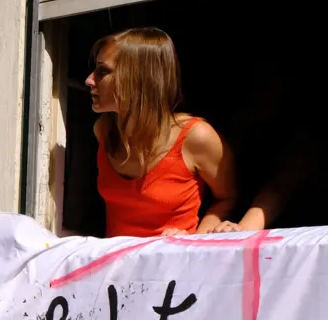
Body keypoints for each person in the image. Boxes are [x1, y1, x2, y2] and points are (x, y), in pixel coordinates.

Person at [86, 28, 237, 237]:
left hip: (173, 265)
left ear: (139, 77)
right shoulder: (103, 130)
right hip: (117, 266)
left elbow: (228, 197)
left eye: (102, 71)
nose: (89, 80)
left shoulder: (196, 137)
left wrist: (197, 239)